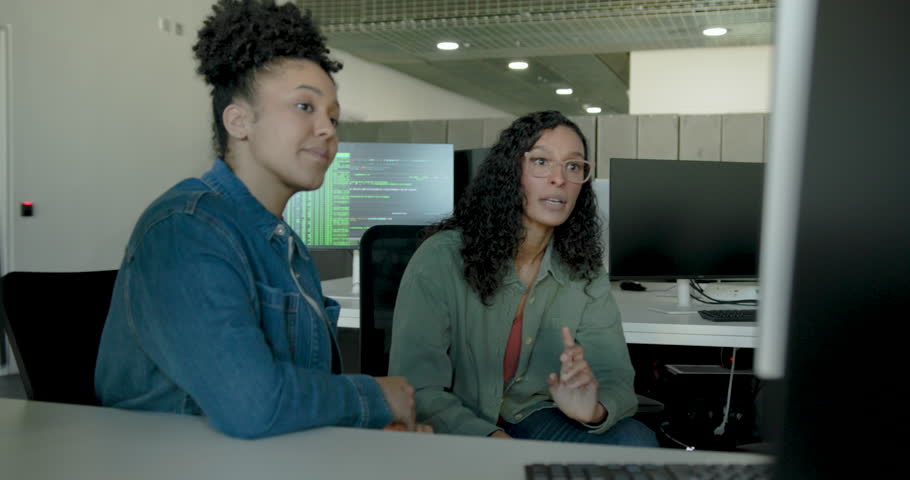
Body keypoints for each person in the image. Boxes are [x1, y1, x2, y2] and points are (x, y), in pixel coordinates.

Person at [95, 0, 423, 439]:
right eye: (305, 107)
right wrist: (373, 399)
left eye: (333, 117)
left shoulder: (284, 245)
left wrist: (374, 427)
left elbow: (297, 394)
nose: (328, 129)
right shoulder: (185, 229)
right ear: (239, 121)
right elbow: (253, 405)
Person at [388, 111, 658, 446]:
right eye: (541, 162)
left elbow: (615, 376)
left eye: (573, 166)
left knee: (635, 441)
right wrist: (493, 439)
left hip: (537, 417)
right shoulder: (441, 258)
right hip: (456, 421)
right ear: (511, 172)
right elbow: (417, 386)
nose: (559, 178)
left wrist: (594, 409)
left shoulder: (585, 272)